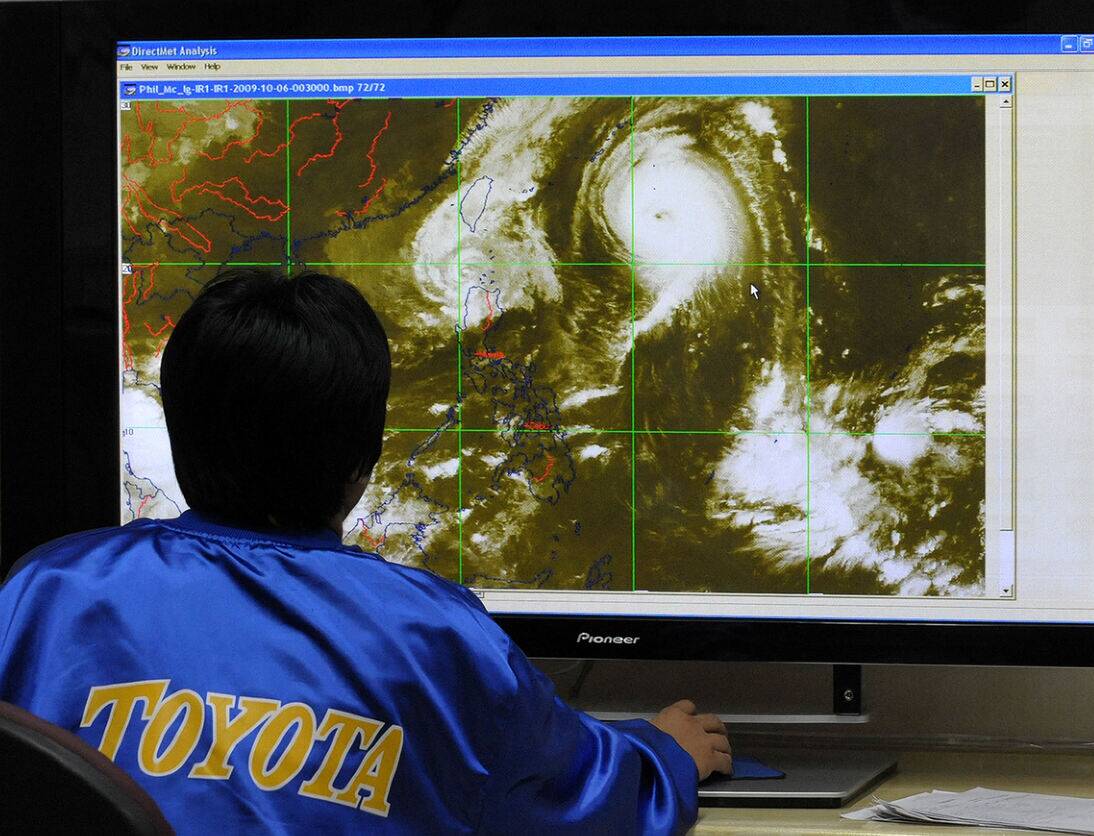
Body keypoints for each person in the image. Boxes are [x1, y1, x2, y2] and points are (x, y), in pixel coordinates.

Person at [0, 269, 731, 834]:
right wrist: (667, 757)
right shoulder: (436, 639)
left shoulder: (43, 591)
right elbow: (577, 801)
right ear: (364, 460)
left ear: (180, 433)